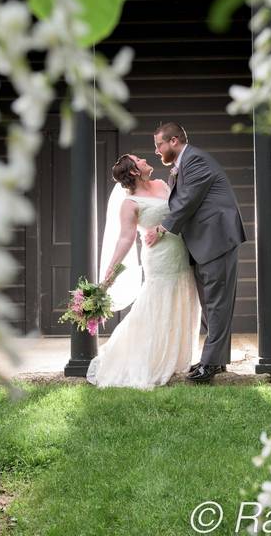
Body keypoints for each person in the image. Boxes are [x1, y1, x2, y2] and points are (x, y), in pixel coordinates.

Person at [85, 153, 201, 390]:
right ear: (135, 172)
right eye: (139, 160)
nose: (145, 159)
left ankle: (178, 358)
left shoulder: (161, 184)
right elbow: (125, 239)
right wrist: (110, 273)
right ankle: (147, 358)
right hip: (159, 260)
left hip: (181, 252)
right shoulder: (130, 203)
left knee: (182, 302)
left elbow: (180, 211)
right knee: (157, 306)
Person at [143, 122, 246, 384]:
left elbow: (188, 200)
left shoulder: (196, 160)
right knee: (211, 304)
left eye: (159, 145)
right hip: (203, 245)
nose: (156, 151)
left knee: (217, 302)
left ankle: (211, 364)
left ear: (174, 141)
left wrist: (162, 228)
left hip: (217, 240)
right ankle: (216, 360)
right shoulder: (182, 166)